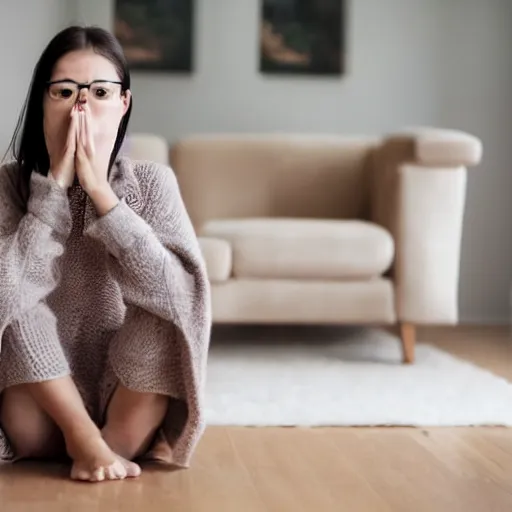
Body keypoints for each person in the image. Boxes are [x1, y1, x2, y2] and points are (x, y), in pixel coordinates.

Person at [0, 25, 211, 483]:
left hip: (125, 401)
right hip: (38, 406)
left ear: (123, 103)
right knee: (9, 288)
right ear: (42, 102)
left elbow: (183, 302)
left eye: (99, 91)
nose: (81, 108)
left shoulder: (153, 184)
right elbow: (5, 299)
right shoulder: (9, 185)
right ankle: (84, 442)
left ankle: (100, 447)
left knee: (167, 293)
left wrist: (101, 195)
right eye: (64, 92)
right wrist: (53, 191)